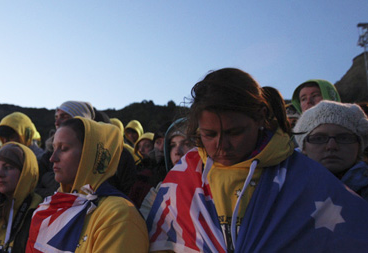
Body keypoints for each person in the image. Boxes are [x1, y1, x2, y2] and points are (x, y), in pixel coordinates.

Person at [146, 68, 368, 252]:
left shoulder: (302, 176)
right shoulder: (184, 175)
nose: (222, 145)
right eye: (209, 135)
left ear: (260, 116)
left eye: (235, 132)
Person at [26, 117, 149, 252]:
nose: (52, 158)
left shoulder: (119, 215)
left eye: (64, 148)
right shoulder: (52, 206)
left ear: (89, 154)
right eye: (54, 148)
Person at [294, 101, 368, 200]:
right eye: (319, 138)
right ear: (303, 147)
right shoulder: (281, 190)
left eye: (344, 138)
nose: (331, 146)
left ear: (359, 145)